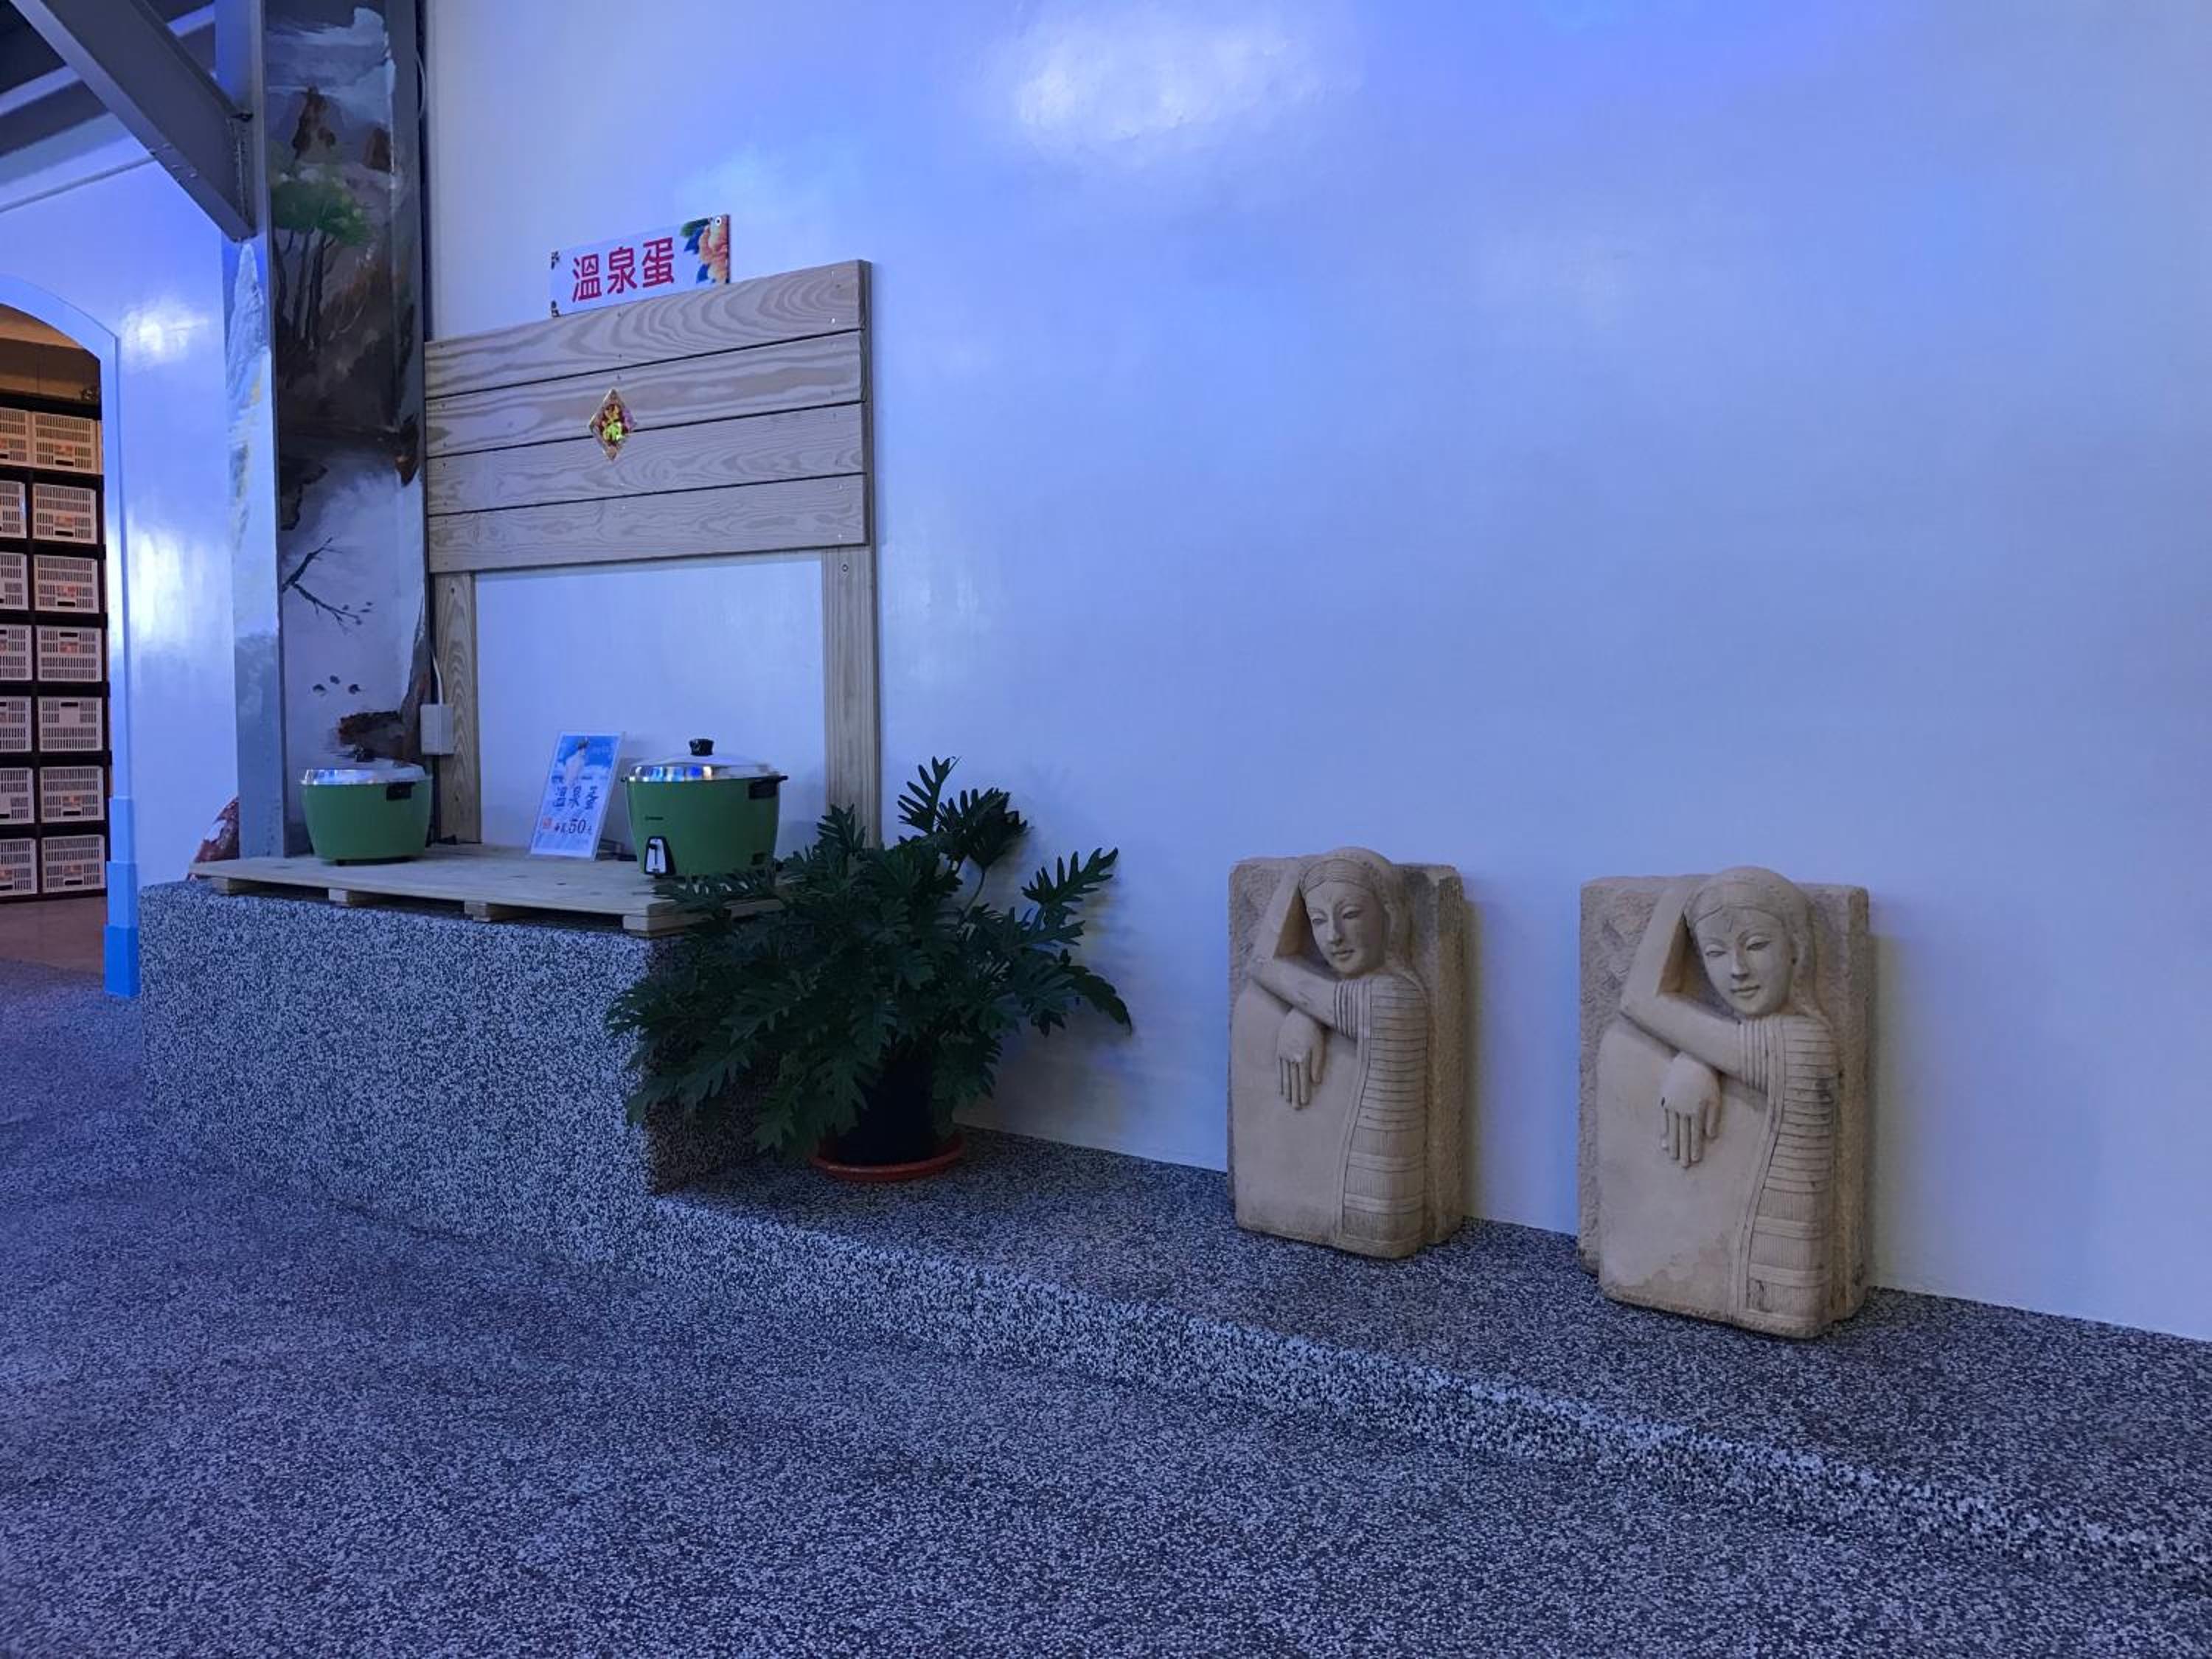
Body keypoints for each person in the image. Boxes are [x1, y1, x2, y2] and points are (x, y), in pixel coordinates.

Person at [1617, 867, 1842, 1336]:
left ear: (1797, 949)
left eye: (1757, 945)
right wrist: (1696, 1058)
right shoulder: (1776, 1041)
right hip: (1751, 1269)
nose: (1737, 970)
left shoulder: (1801, 1044)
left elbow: (1641, 1000)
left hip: (1773, 1279)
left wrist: (1678, 893)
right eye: (1714, 953)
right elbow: (1720, 1041)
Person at [1245, 848, 1430, 1256]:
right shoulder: (1383, 993)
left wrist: (1296, 871)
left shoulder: (1390, 998)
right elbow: (1324, 997)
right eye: (1317, 920)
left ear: (1389, 916)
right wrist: (1305, 1013)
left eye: (1350, 915)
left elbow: (1262, 962)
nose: (1332, 937)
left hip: (1368, 1203)